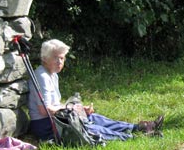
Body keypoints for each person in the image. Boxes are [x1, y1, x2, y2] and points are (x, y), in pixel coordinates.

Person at [28, 39, 164, 141]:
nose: (59, 62)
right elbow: (45, 109)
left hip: (54, 119)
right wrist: (73, 110)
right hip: (45, 125)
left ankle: (138, 128)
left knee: (91, 117)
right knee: (86, 127)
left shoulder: (52, 74)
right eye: (55, 58)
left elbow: (55, 105)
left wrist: (77, 108)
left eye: (62, 58)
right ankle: (133, 137)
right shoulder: (42, 76)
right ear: (45, 58)